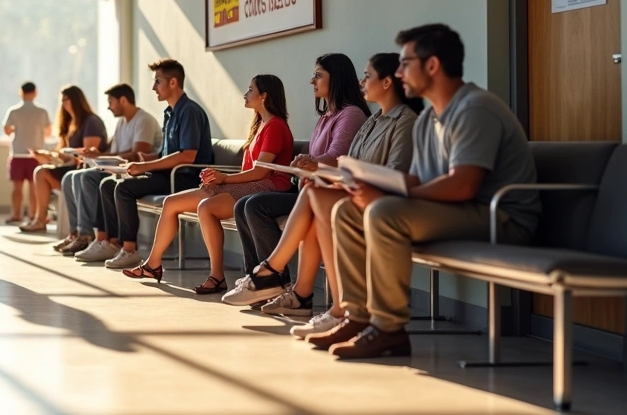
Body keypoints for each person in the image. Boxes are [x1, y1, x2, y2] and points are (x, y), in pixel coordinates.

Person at [307, 24, 539, 359]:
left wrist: (386, 200)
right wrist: (369, 185)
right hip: (460, 210)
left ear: (431, 66)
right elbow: (415, 181)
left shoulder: (474, 108)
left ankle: (388, 328)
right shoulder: (430, 117)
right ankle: (358, 317)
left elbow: (463, 185)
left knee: (383, 213)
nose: (399, 72)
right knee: (347, 210)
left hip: (499, 216)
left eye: (405, 63)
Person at [268, 53, 423, 336]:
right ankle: (335, 306)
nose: (362, 81)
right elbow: (351, 165)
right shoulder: (372, 121)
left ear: (387, 82)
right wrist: (336, 177)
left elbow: (395, 174)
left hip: (381, 202)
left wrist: (337, 176)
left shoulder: (405, 121)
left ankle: (281, 276)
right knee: (314, 194)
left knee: (315, 196)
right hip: (358, 195)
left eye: (368, 76)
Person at [223, 53, 369, 307]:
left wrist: (308, 162)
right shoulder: (326, 116)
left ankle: (273, 280)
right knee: (244, 204)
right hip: (307, 190)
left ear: (337, 79)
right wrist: (305, 161)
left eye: (318, 75)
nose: (312, 80)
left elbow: (336, 157)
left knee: (256, 205)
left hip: (325, 193)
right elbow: (319, 158)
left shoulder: (351, 114)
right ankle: (257, 278)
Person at [123, 75, 294, 292]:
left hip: (269, 186)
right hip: (251, 183)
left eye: (250, 90)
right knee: (171, 202)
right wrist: (217, 176)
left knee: (206, 208)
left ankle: (217, 276)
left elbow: (261, 172)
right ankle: (152, 265)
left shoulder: (275, 127)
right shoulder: (260, 125)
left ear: (264, 96)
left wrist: (224, 178)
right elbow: (250, 172)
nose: (245, 93)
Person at [77, 59, 212, 270]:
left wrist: (146, 167)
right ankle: (111, 243)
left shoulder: (189, 112)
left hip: (184, 178)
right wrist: (135, 161)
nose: (153, 87)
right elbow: (164, 153)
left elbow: (187, 156)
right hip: (168, 175)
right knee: (107, 184)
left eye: (157, 81)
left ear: (173, 82)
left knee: (123, 188)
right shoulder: (169, 113)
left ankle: (130, 250)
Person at [53, 83, 162, 255]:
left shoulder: (144, 120)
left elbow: (138, 154)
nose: (108, 106)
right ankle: (79, 233)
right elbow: (112, 153)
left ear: (123, 100)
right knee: (70, 177)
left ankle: (93, 236)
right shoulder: (121, 123)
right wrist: (98, 155)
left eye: (111, 102)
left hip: (136, 172)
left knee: (86, 177)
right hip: (118, 169)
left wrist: (103, 157)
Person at [20, 85, 108, 233]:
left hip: (84, 169)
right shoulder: (70, 123)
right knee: (40, 171)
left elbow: (88, 155)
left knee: (42, 173)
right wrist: (48, 156)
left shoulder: (91, 121)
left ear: (76, 100)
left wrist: (64, 155)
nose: (62, 104)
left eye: (65, 100)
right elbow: (64, 152)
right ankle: (41, 219)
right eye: (61, 100)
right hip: (71, 166)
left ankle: (45, 220)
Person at [1, 82, 50, 225]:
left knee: (17, 188)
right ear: (36, 92)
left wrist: (18, 132)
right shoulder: (42, 111)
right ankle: (35, 215)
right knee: (35, 187)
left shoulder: (14, 111)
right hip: (36, 154)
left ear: (20, 92)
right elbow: (48, 132)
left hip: (18, 153)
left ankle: (16, 214)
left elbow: (7, 130)